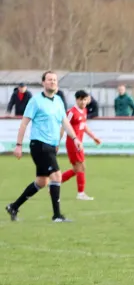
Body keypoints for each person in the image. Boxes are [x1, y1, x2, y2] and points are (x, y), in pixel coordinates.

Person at [5, 71, 82, 222]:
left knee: (42, 181)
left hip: (51, 146)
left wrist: (74, 138)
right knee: (56, 176)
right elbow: (24, 123)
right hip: (39, 144)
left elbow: (65, 122)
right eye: (49, 80)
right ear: (43, 83)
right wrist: (19, 145)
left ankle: (13, 206)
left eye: (54, 80)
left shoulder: (59, 100)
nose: (53, 82)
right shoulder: (35, 101)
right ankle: (57, 216)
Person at [59, 90, 102, 201]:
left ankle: (55, 183)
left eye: (85, 100)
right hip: (73, 143)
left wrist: (94, 137)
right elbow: (64, 126)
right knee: (81, 167)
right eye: (81, 100)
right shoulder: (71, 112)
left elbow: (84, 126)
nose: (83, 102)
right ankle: (81, 193)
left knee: (76, 169)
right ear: (77, 99)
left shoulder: (84, 111)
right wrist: (57, 142)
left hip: (79, 143)